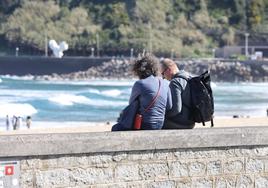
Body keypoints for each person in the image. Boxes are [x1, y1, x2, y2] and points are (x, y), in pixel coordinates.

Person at [126, 54, 172, 130]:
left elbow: (131, 104)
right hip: (160, 123)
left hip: (144, 123)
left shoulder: (140, 84)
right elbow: (169, 106)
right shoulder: (165, 83)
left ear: (138, 70)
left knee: (115, 128)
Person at [161, 58, 195, 129]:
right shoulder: (188, 77)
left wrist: (163, 115)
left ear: (168, 70)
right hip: (191, 122)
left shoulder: (175, 82)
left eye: (162, 73)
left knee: (155, 122)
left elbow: (176, 110)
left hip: (182, 123)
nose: (163, 77)